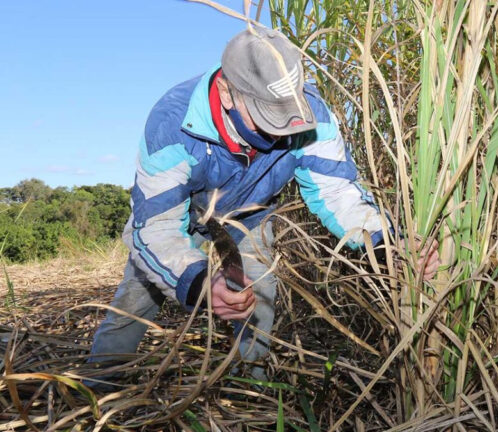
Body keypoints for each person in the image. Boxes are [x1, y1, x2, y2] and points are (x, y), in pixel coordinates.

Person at [88, 27, 438, 384]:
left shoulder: (312, 116)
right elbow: (157, 228)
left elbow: (338, 194)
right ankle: (98, 387)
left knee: (259, 296)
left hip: (250, 214)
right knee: (135, 301)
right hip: (180, 213)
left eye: (289, 110)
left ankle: (249, 386)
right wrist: (201, 284)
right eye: (267, 114)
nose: (283, 128)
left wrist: (387, 246)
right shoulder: (172, 125)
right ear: (226, 93)